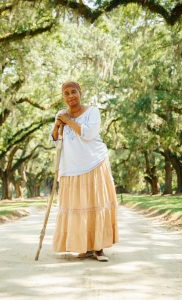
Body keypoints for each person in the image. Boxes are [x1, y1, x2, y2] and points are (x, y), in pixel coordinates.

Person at [51, 81, 119, 262]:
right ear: (63, 97)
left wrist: (69, 121)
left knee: (97, 204)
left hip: (94, 163)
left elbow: (88, 134)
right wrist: (58, 124)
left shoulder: (92, 112)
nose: (70, 96)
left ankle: (98, 248)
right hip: (71, 167)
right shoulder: (61, 114)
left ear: (80, 93)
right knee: (78, 208)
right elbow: (55, 139)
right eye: (66, 93)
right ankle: (85, 247)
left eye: (74, 92)